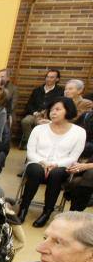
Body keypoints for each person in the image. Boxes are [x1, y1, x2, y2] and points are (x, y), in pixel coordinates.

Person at [19, 97, 86, 227]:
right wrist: (43, 162)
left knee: (56, 174)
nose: (53, 112)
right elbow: (30, 152)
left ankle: (47, 212)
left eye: (57, 109)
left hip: (61, 166)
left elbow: (73, 157)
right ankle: (23, 208)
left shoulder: (79, 132)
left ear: (68, 111)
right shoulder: (39, 129)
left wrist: (55, 164)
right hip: (38, 163)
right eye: (51, 110)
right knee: (35, 170)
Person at [21, 69, 63, 145]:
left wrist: (47, 113)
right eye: (47, 77)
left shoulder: (60, 91)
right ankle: (30, 142)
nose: (48, 79)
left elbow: (59, 106)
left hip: (49, 116)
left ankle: (41, 144)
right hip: (34, 114)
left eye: (51, 77)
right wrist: (34, 112)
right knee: (25, 121)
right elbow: (29, 104)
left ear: (57, 79)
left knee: (41, 125)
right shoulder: (37, 90)